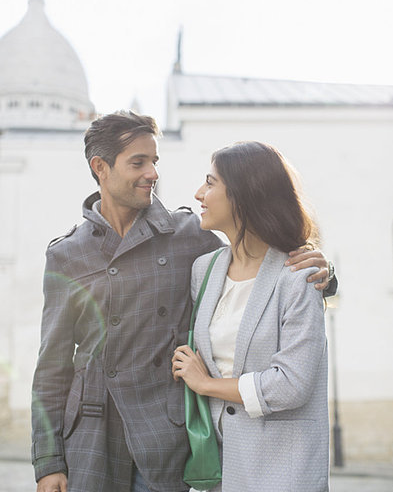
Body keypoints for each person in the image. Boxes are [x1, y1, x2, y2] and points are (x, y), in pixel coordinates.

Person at [32, 112, 335, 492]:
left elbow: (257, 259)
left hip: (165, 439)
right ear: (101, 168)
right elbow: (51, 367)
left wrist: (323, 271)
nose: (152, 173)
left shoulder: (187, 235)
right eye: (138, 162)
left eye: (154, 161)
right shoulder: (67, 255)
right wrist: (48, 461)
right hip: (93, 438)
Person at [172, 141, 331, 492]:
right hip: (219, 471)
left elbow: (291, 385)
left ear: (243, 196)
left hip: (281, 473)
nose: (199, 193)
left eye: (211, 183)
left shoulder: (297, 275)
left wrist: (206, 384)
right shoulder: (205, 269)